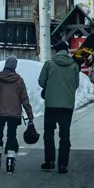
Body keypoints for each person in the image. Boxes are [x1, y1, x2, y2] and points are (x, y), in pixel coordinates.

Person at [0, 57, 35, 173]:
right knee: (12, 136)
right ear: (15, 66)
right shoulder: (19, 80)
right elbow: (25, 100)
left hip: (0, 112)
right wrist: (30, 116)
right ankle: (10, 161)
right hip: (14, 114)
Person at [38, 38, 81, 173]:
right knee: (64, 135)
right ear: (66, 51)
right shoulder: (74, 65)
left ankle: (49, 161)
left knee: (49, 133)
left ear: (56, 51)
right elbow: (76, 84)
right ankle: (63, 165)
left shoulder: (49, 64)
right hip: (67, 105)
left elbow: (41, 82)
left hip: (51, 104)